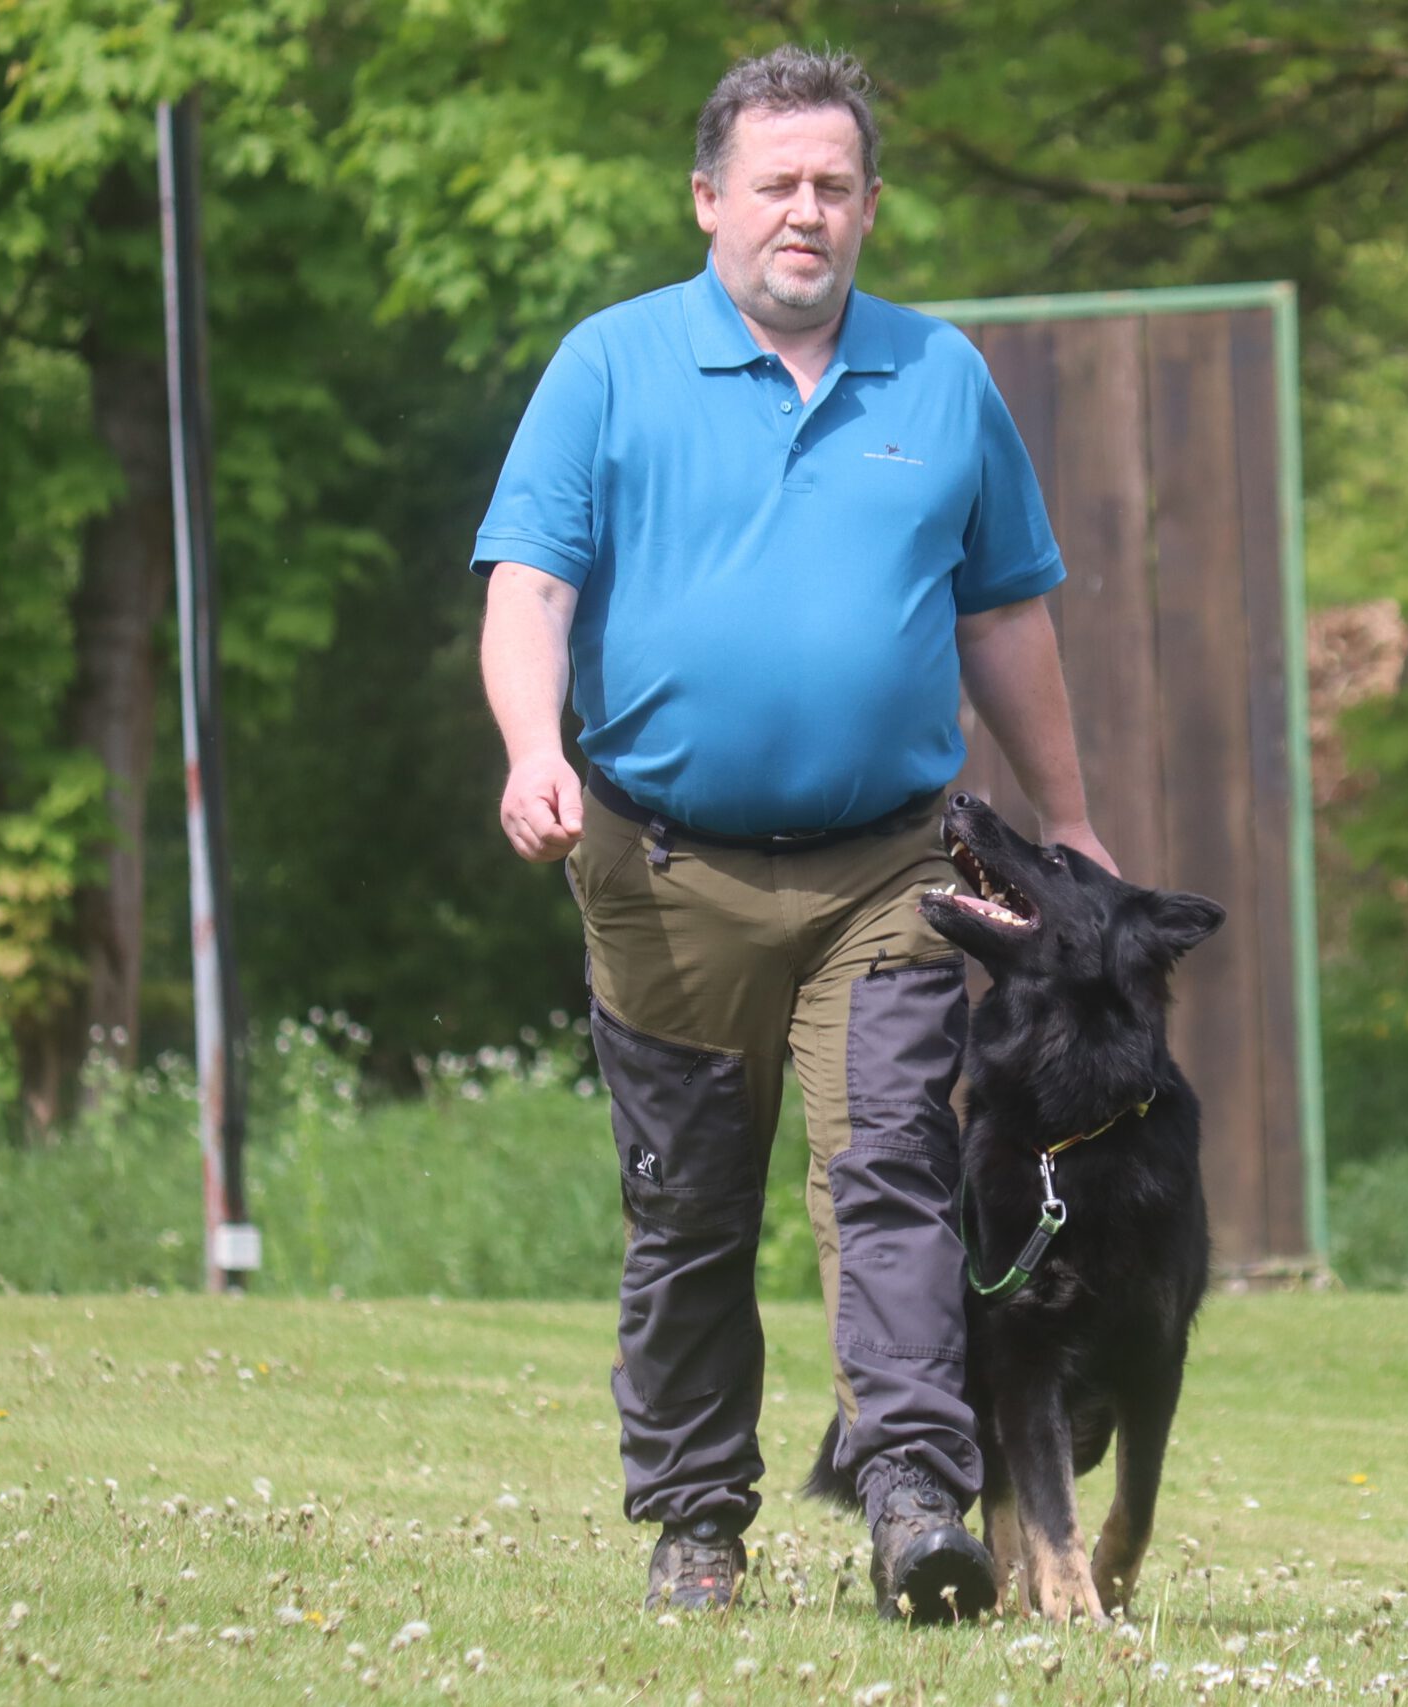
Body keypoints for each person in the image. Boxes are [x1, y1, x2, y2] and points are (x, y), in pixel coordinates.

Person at [470, 44, 1111, 1622]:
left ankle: (912, 1501)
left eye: (835, 186)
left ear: (872, 206)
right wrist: (529, 749)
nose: (805, 213)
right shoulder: (609, 367)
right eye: (776, 185)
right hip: (661, 870)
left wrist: (1073, 817)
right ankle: (696, 1523)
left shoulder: (939, 373)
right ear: (709, 201)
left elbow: (1006, 613)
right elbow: (529, 589)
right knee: (688, 1203)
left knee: (890, 1165)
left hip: (887, 869)